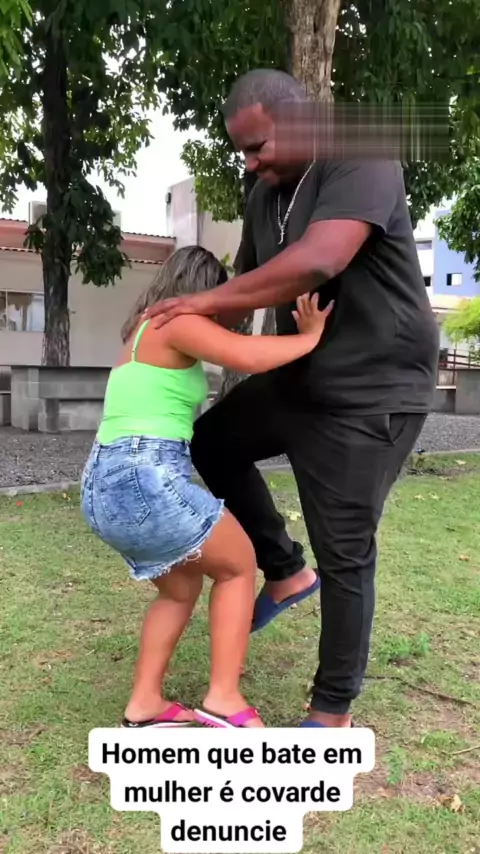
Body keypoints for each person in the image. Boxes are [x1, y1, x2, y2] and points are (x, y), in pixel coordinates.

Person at [145, 70, 440, 729]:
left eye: (258, 147)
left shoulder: (361, 156)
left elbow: (318, 260)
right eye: (242, 152)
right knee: (213, 441)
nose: (250, 164)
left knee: (345, 547)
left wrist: (205, 300)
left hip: (372, 388)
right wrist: (171, 330)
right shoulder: (264, 194)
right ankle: (284, 570)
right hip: (300, 374)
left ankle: (331, 709)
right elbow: (250, 289)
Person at [80, 245, 332, 729]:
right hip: (142, 474)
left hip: (104, 483)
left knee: (180, 588)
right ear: (200, 290)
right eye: (220, 293)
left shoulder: (142, 331)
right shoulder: (176, 321)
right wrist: (310, 337)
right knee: (238, 564)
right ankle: (223, 698)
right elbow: (248, 356)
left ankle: (144, 703)